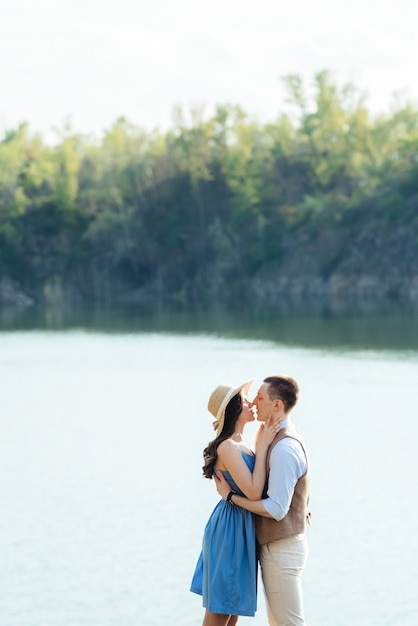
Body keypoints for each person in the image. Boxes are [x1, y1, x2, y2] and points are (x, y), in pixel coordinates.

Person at [215, 375, 311, 626]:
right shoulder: (268, 440)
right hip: (261, 542)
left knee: (287, 623)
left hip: (281, 546)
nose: (255, 402)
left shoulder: (283, 447)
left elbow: (276, 508)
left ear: (277, 405)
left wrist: (231, 497)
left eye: (260, 397)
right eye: (250, 397)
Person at [190, 380, 282, 626]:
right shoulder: (228, 447)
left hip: (242, 527)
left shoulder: (241, 446)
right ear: (233, 410)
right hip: (230, 528)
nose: (252, 403)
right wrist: (262, 448)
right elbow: (253, 492)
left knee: (233, 610)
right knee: (221, 610)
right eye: (244, 400)